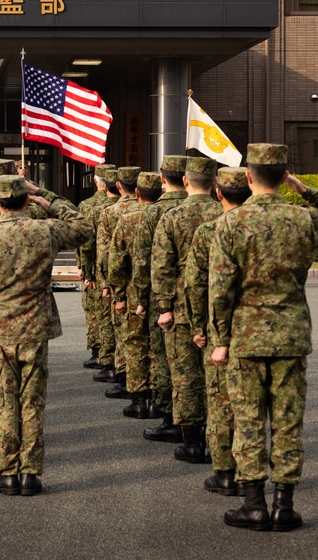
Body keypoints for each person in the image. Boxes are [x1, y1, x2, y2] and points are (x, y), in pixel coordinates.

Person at [208, 144, 318, 531]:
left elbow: (220, 289)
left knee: (248, 419)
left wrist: (219, 339)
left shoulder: (230, 223)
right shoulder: (303, 219)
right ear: (284, 176)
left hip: (246, 337)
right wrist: (305, 190)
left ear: (249, 177)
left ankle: (253, 504)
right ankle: (284, 505)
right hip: (290, 334)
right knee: (288, 422)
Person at [0, 175, 91, 496]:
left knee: (4, 401)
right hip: (36, 327)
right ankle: (30, 472)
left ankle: (7, 471)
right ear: (27, 201)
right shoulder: (45, 229)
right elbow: (84, 228)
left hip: (0, 329)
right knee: (32, 401)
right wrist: (49, 199)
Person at [184, 166, 251, 497]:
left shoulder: (210, 232)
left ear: (218, 192)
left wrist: (199, 327)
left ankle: (225, 471)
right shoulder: (273, 227)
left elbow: (196, 285)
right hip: (259, 331)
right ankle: (250, 472)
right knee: (251, 406)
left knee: (221, 400)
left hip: (220, 329)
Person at [151, 155, 222, 463]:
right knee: (216, 375)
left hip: (180, 306)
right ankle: (219, 439)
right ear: (215, 185)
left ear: (184, 182)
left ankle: (191, 440)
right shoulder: (226, 214)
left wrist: (164, 306)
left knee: (185, 374)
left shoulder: (173, 217)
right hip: (220, 304)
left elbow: (161, 265)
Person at [130, 155, 189, 438]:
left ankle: (170, 418)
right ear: (185, 179)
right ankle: (198, 421)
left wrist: (141, 298)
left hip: (163, 297)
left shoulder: (153, 213)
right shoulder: (216, 210)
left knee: (165, 358)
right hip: (205, 298)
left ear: (163, 179)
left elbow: (143, 260)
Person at [106, 172, 163, 419]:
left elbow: (115, 261)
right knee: (159, 347)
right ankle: (161, 400)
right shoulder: (167, 215)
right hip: (165, 291)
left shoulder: (126, 219)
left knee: (136, 343)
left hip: (133, 290)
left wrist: (118, 294)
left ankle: (140, 399)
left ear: (136, 193)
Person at [93, 166, 142, 398]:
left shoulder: (111, 213)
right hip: (148, 283)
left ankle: (125, 378)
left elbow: (106, 254)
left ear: (119, 186)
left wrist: (108, 284)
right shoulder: (152, 210)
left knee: (125, 333)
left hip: (124, 280)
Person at [76, 164, 116, 369]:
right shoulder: (126, 205)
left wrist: (86, 270)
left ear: (95, 181)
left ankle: (98, 351)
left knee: (95, 311)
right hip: (119, 269)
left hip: (97, 267)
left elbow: (85, 242)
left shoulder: (88, 206)